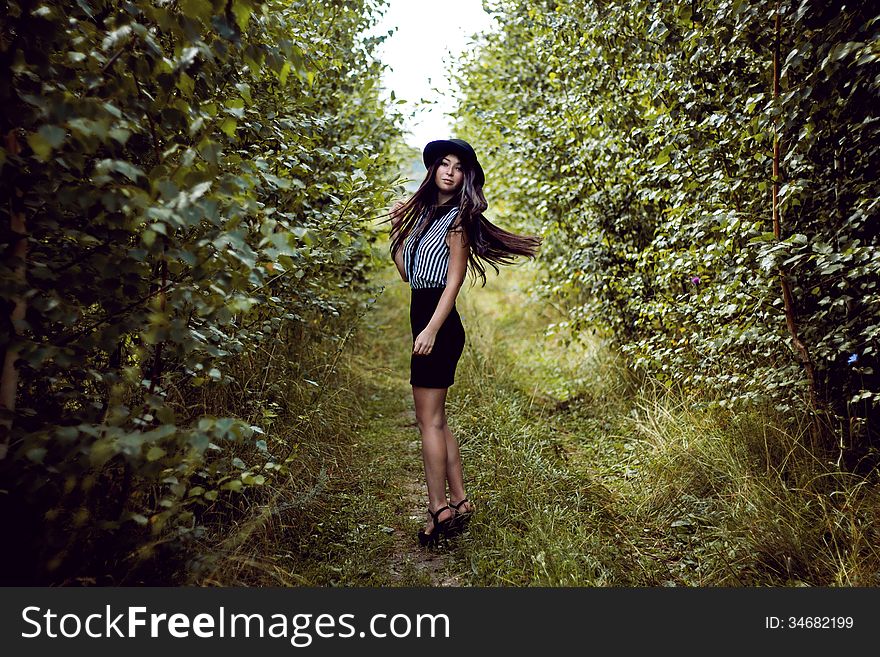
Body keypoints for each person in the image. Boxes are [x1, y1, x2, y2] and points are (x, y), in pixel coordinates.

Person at [389, 139, 541, 547]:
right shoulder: (424, 215)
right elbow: (408, 274)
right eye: (444, 164)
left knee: (427, 422)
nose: (450, 171)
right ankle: (459, 501)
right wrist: (396, 234)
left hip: (438, 322)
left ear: (464, 176)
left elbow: (453, 280)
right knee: (436, 419)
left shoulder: (457, 219)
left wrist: (432, 329)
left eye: (458, 166)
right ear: (434, 170)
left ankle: (438, 509)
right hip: (423, 315)